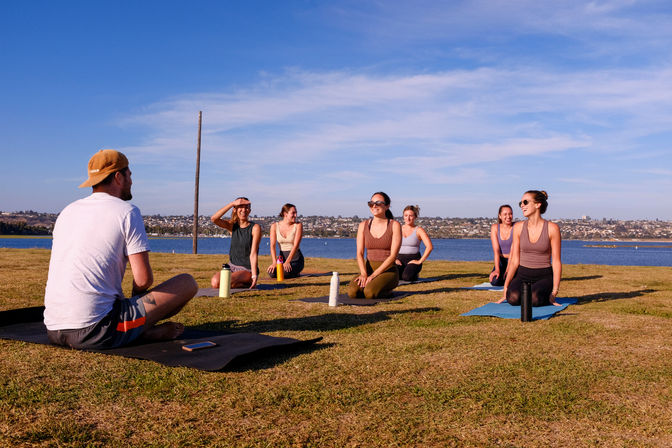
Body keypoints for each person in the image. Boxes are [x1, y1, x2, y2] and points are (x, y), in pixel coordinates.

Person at [43, 149, 198, 349]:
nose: (132, 181)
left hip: (53, 328)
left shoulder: (67, 211)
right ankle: (143, 332)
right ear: (118, 177)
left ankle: (137, 327)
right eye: (130, 175)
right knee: (187, 283)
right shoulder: (127, 212)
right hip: (97, 330)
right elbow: (143, 279)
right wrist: (139, 300)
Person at [497, 190, 562, 307]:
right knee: (512, 298)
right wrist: (506, 287)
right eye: (520, 203)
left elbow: (556, 262)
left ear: (538, 204)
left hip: (543, 276)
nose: (522, 205)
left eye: (525, 202)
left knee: (534, 299)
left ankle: (540, 294)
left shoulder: (552, 228)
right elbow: (514, 261)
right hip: (522, 274)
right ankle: (527, 293)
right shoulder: (518, 227)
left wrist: (554, 292)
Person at [348, 192, 402, 299]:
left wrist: (373, 276)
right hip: (368, 270)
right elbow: (359, 253)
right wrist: (364, 274)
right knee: (353, 292)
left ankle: (388, 290)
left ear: (387, 206)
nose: (374, 206)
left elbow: (393, 256)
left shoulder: (394, 225)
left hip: (387, 271)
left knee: (369, 293)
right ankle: (372, 284)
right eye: (371, 203)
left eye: (378, 203)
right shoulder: (363, 225)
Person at [210, 197, 261, 289]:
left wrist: (254, 275)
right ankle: (241, 284)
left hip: (247, 269)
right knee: (215, 282)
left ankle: (247, 281)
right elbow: (214, 219)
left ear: (249, 210)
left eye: (246, 207)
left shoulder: (255, 228)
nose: (244, 210)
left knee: (226, 283)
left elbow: (253, 253)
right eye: (240, 207)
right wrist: (232, 203)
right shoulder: (232, 226)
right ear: (235, 210)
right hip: (232, 267)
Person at [395, 205, 433, 282]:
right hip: (399, 259)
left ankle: (414, 273)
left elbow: (429, 247)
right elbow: (389, 246)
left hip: (413, 259)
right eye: (406, 215)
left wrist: (419, 261)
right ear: (403, 216)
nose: (408, 218)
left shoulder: (419, 230)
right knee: (393, 277)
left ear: (415, 217)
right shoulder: (397, 229)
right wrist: (394, 259)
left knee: (406, 277)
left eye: (411, 216)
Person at [267, 203, 304, 279]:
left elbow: (296, 245)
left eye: (296, 213)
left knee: (284, 272)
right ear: (285, 214)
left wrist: (287, 262)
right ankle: (293, 273)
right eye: (293, 213)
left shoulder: (298, 225)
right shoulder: (274, 226)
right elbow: (272, 246)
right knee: (272, 273)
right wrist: (274, 262)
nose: (295, 215)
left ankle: (295, 272)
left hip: (295, 258)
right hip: (281, 258)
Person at [488, 204, 514, 286]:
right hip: (501, 261)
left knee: (511, 281)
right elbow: (496, 251)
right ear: (500, 216)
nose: (508, 216)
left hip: (513, 260)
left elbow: (513, 252)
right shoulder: (495, 228)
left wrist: (508, 270)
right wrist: (497, 270)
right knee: (495, 282)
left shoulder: (516, 227)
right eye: (505, 214)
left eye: (510, 214)